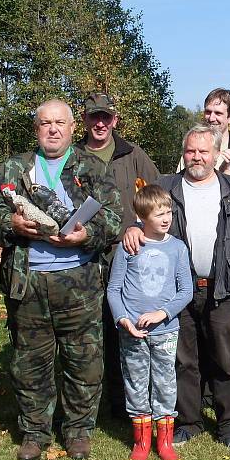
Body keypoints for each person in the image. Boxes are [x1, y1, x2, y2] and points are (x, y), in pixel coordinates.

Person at [0, 99, 122, 460]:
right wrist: (10, 224)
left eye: (60, 122)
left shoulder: (91, 167)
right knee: (30, 362)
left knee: (84, 361)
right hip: (27, 283)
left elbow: (114, 217)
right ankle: (34, 432)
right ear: (36, 129)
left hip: (79, 282)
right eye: (46, 123)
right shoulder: (14, 168)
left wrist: (85, 234)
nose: (53, 129)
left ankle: (78, 431)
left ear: (74, 127)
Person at [125, 123, 230, 454]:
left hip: (223, 288)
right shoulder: (167, 186)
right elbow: (146, 212)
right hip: (178, 290)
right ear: (183, 154)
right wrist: (132, 227)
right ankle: (189, 422)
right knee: (184, 360)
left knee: (225, 359)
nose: (197, 157)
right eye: (190, 151)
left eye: (203, 151)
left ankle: (229, 425)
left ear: (216, 155)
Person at [177, 88, 230, 418]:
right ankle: (199, 400)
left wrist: (226, 172)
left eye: (219, 112)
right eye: (208, 112)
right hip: (194, 270)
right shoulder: (193, 146)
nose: (212, 117)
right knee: (198, 337)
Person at [75, 91, 160, 420]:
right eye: (93, 117)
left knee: (125, 328)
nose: (100, 123)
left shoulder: (133, 155)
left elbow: (156, 196)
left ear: (115, 120)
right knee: (89, 333)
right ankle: (94, 405)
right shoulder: (73, 156)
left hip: (126, 256)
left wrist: (139, 225)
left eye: (105, 117)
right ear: (84, 120)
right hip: (83, 256)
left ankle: (131, 402)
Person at [106, 184, 192, 460]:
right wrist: (123, 320)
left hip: (165, 332)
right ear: (142, 217)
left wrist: (162, 314)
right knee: (136, 383)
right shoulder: (128, 247)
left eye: (169, 212)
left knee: (166, 384)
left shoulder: (178, 248)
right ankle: (141, 442)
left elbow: (186, 291)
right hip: (132, 332)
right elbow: (113, 289)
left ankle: (164, 441)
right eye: (159, 214)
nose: (166, 219)